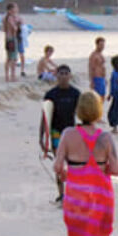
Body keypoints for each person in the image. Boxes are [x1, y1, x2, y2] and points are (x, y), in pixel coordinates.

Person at [53, 92, 118, 236]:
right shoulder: (105, 138)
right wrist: (103, 165)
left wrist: (66, 173)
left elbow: (57, 166)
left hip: (76, 197)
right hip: (100, 199)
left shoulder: (68, 134)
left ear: (78, 110)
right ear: (98, 111)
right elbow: (116, 170)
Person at [43, 65, 82, 202]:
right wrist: (42, 138)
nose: (64, 76)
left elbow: (81, 113)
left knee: (72, 164)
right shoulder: (51, 94)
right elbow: (45, 116)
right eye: (61, 73)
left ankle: (72, 192)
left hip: (71, 133)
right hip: (55, 132)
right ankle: (61, 194)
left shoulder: (76, 93)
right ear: (57, 75)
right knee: (59, 164)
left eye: (66, 73)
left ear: (70, 76)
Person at [4, 2, 21, 82]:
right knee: (13, 58)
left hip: (8, 38)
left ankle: (7, 76)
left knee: (9, 58)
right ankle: (12, 76)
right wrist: (17, 23)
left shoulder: (6, 18)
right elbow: (15, 28)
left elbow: (4, 29)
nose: (17, 9)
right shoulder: (10, 18)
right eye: (15, 7)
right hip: (12, 39)